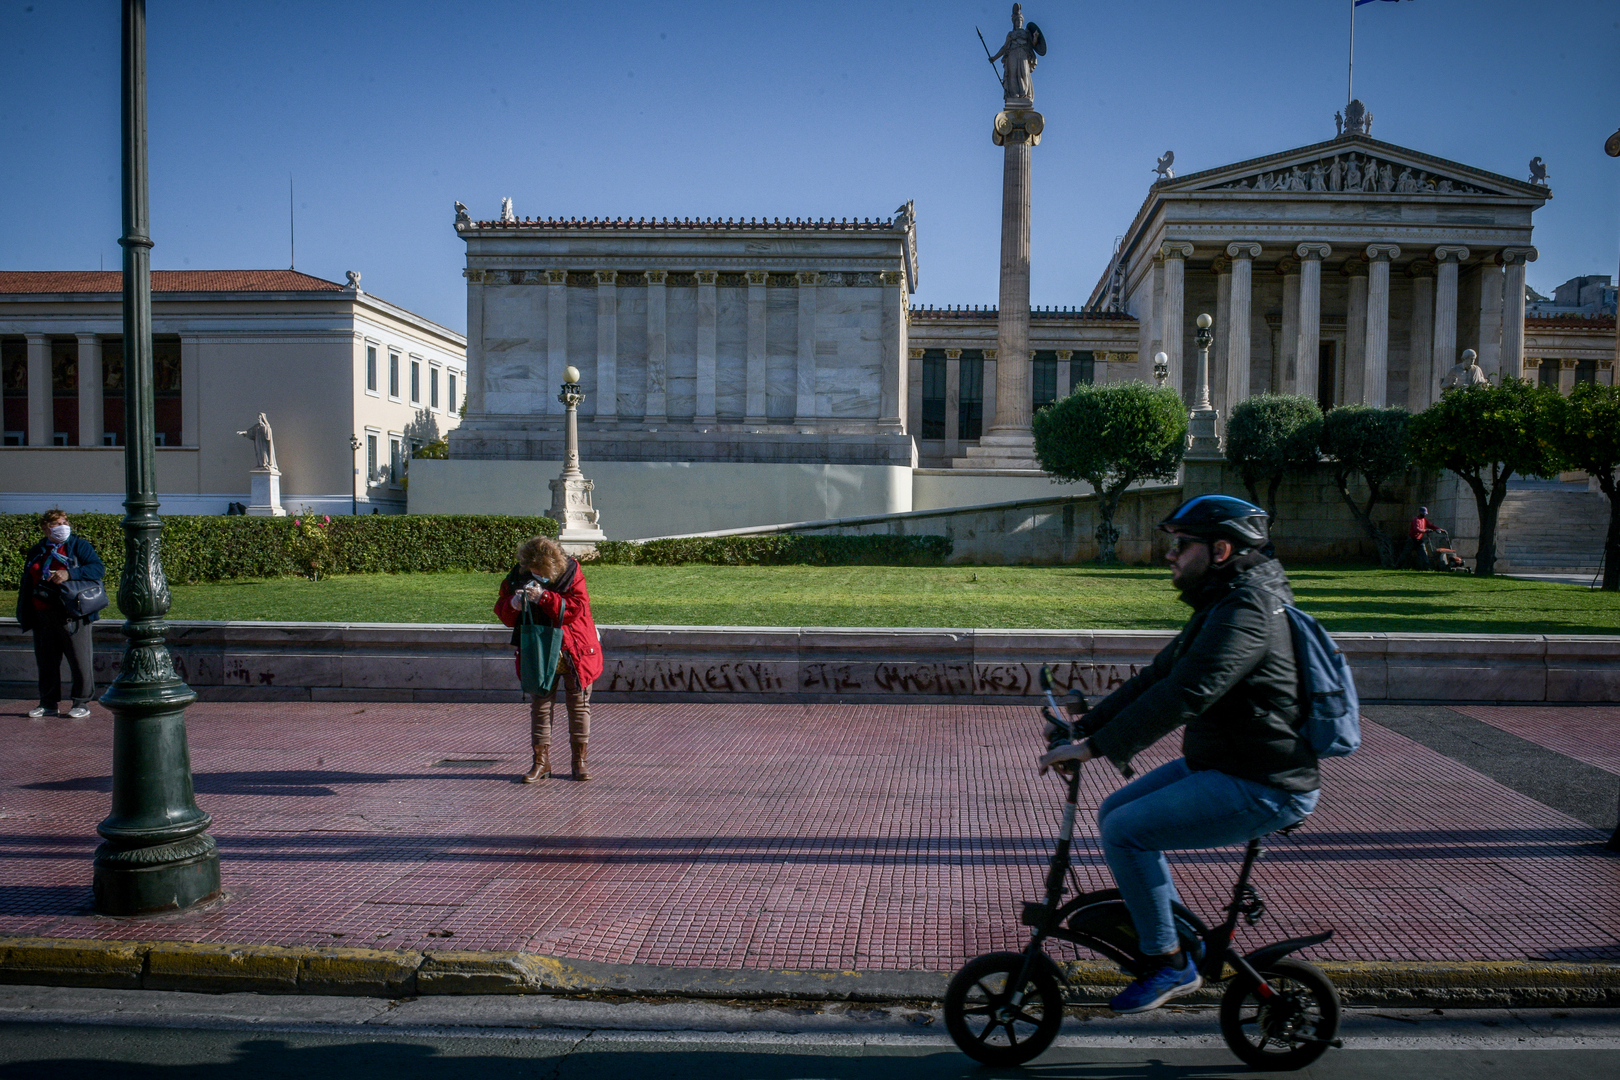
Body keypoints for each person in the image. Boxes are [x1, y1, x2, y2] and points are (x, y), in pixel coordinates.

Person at [1038, 495, 1319, 1014]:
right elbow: (1158, 676)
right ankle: (1173, 939)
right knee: (1113, 814)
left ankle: (1168, 962)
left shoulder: (1247, 611)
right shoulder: (1225, 601)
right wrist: (1085, 729)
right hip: (1227, 762)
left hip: (1266, 782)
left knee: (1128, 832)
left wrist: (1095, 747)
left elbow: (1188, 692)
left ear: (1220, 549)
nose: (1170, 554)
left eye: (1180, 544)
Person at [495, 536, 602, 782]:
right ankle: (541, 762)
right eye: (532, 570)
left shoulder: (572, 572)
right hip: (540, 651)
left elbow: (575, 608)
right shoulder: (515, 578)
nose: (536, 574)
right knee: (541, 707)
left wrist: (543, 597)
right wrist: (514, 603)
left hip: (575, 651)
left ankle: (579, 762)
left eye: (541, 571)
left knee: (579, 707)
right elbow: (504, 612)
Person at [16, 509, 105, 719]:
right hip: (42, 613)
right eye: (57, 523)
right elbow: (27, 580)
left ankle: (81, 702)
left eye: (65, 521)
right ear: (45, 528)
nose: (63, 526)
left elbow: (97, 569)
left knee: (79, 660)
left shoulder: (78, 546)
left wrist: (69, 573)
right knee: (46, 662)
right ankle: (48, 703)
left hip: (72, 612)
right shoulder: (38, 550)